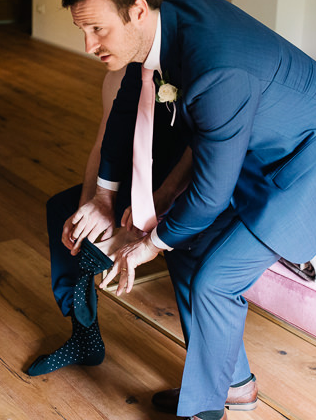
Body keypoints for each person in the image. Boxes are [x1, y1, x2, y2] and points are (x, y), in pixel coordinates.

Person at [62, 0, 316, 420]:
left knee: (216, 278)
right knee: (188, 250)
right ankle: (234, 385)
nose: (89, 45)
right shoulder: (170, 16)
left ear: (138, 12)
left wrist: (151, 242)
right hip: (259, 144)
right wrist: (107, 195)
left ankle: (204, 410)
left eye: (98, 30)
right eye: (82, 30)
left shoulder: (218, 72)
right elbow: (130, 100)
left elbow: (209, 194)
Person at [25, 67, 192, 376]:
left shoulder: (182, 70)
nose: (92, 47)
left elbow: (201, 152)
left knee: (189, 251)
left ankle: (205, 370)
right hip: (136, 179)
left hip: (186, 183)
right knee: (62, 210)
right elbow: (103, 144)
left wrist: (160, 201)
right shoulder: (117, 77)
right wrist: (88, 208)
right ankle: (83, 336)